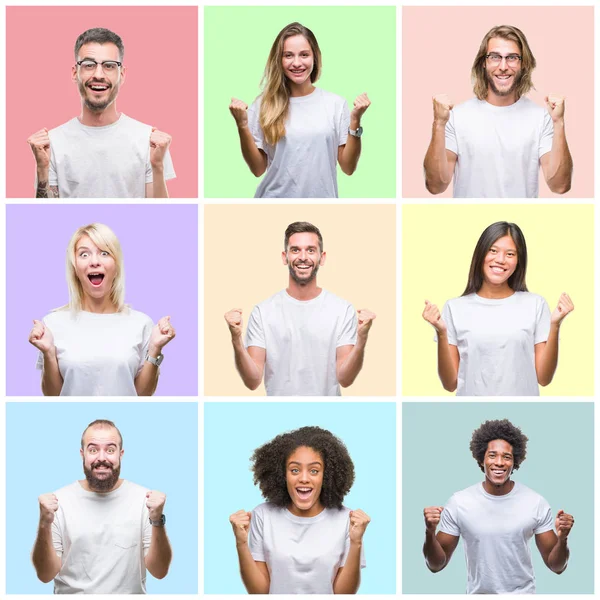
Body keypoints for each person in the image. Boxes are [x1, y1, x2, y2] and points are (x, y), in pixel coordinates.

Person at [224, 221, 375, 396]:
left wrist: (362, 339)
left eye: (310, 250)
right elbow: (252, 381)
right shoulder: (263, 311)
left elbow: (345, 379)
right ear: (284, 256)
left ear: (322, 257)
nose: (303, 257)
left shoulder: (342, 310)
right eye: (295, 250)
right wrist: (236, 339)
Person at [423, 419, 574, 594]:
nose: (499, 462)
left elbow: (556, 566)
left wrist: (562, 539)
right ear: (481, 460)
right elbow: (436, 565)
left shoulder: (535, 502)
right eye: (492, 455)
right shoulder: (459, 502)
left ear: (514, 462)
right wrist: (430, 532)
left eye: (507, 457)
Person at [422, 221, 573, 396]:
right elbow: (450, 384)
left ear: (518, 261)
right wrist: (441, 333)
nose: (500, 260)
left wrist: (555, 325)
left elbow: (544, 378)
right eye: (493, 251)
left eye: (510, 254)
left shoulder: (535, 304)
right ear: (481, 253)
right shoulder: (455, 308)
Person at [423, 25, 572, 198]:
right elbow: (435, 186)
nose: (503, 66)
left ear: (523, 63)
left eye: (512, 58)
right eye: (495, 57)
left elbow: (560, 186)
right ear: (484, 63)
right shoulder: (457, 117)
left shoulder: (542, 118)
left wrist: (559, 122)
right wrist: (439, 123)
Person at [28, 223, 176, 396]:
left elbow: (141, 396)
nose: (95, 262)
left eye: (104, 253)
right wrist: (48, 353)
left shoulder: (141, 323)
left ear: (116, 265)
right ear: (75, 267)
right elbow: (53, 397)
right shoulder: (52, 323)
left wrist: (155, 349)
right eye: (84, 254)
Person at [26, 27, 175, 198]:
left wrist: (157, 167)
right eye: (89, 65)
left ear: (122, 74)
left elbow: (159, 217)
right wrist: (42, 169)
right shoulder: (51, 144)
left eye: (109, 66)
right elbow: (46, 218)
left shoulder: (150, 141)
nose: (98, 74)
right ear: (75, 73)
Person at [229, 22, 371, 198]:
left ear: (314, 58)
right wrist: (242, 125)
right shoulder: (263, 105)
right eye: (288, 55)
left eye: (304, 55)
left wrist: (355, 121)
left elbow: (348, 167)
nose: (297, 63)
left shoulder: (335, 104)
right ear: (279, 60)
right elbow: (258, 169)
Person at [32, 419, 172, 593]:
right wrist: (44, 523)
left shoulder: (145, 500)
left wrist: (157, 520)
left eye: (110, 450)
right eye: (93, 450)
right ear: (82, 454)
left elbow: (159, 572)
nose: (101, 458)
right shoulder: (57, 503)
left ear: (121, 454)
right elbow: (45, 575)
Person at [229, 426, 370, 594]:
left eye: (314, 471)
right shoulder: (263, 516)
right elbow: (260, 592)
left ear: (326, 476)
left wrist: (356, 543)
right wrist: (241, 543)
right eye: (295, 470)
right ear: (282, 475)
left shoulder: (347, 520)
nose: (304, 478)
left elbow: (343, 594)